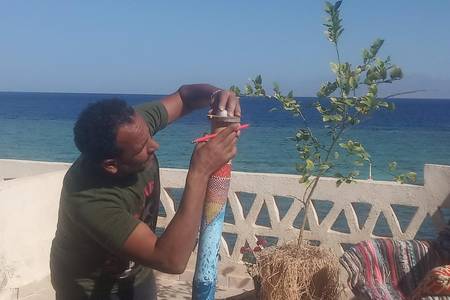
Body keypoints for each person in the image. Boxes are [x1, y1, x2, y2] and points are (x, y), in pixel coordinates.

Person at [50, 84, 241, 300]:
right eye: (142, 147)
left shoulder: (132, 127)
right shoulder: (89, 199)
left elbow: (184, 97)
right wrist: (199, 173)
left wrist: (217, 97)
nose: (154, 145)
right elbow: (171, 260)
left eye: (149, 134)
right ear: (111, 164)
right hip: (90, 289)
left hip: (137, 277)